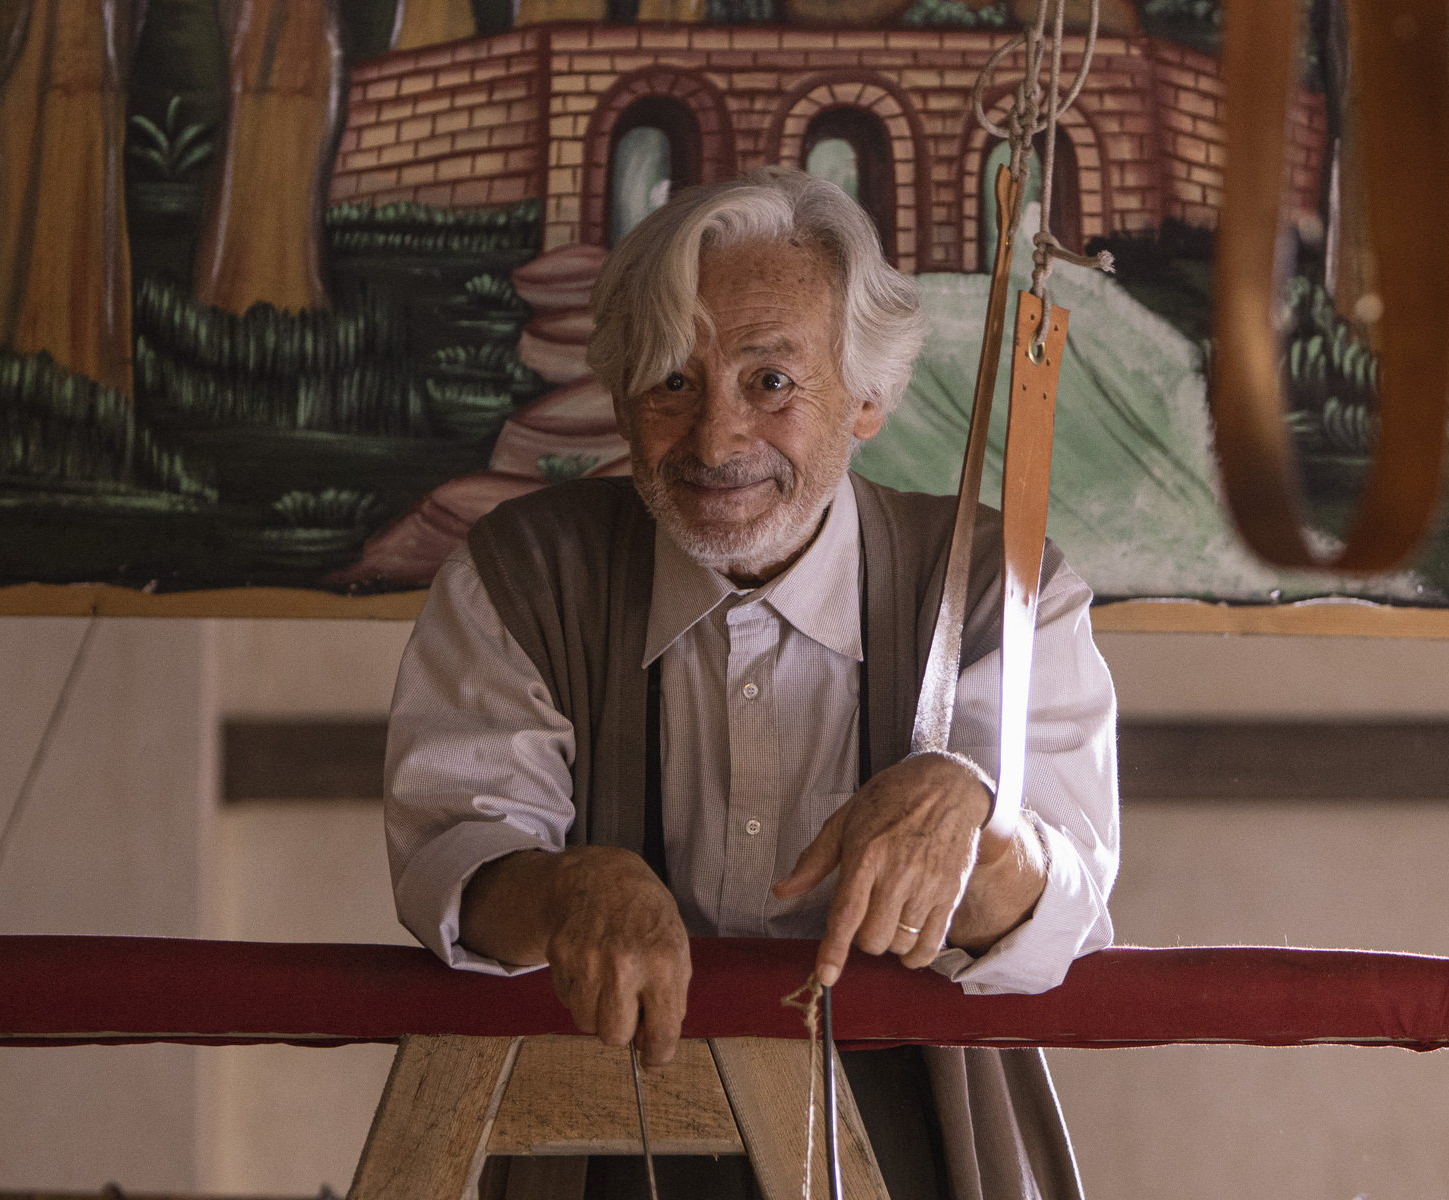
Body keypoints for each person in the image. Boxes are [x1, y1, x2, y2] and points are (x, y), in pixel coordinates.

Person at [385, 166, 1119, 1200]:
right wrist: (569, 889)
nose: (716, 437)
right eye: (671, 381)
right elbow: (456, 858)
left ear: (867, 399)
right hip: (595, 1148)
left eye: (770, 382)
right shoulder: (519, 577)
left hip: (918, 1148)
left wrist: (976, 817)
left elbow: (1062, 914)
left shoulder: (1002, 590)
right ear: (620, 396)